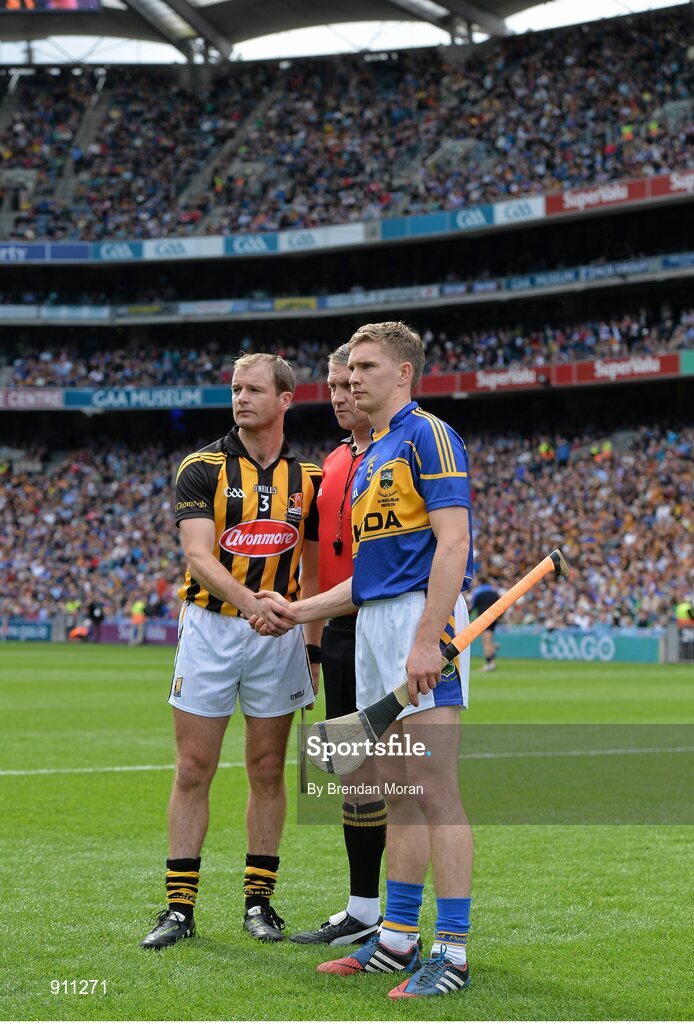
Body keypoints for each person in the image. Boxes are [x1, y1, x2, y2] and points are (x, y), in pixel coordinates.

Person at [252, 322, 474, 1000]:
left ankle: (453, 954)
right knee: (399, 792)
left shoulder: (427, 435)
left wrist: (426, 638)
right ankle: (398, 939)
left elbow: (454, 542)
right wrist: (302, 610)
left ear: (404, 373)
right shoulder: (374, 452)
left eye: (368, 367)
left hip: (417, 621)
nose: (353, 379)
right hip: (378, 622)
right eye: (351, 371)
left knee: (435, 792)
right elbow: (369, 578)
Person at [139, 353, 322, 951]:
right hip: (214, 627)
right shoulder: (201, 467)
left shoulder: (311, 479)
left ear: (285, 398)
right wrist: (251, 603)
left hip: (281, 635)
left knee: (268, 770)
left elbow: (316, 571)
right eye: (235, 389)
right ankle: (178, 909)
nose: (240, 398)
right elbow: (199, 555)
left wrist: (311, 648)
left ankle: (259, 903)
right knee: (193, 768)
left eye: (253, 389)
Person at [290, 344, 386, 948]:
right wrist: (314, 646)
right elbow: (319, 562)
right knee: (353, 771)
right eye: (330, 385)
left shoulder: (392, 455)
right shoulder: (331, 463)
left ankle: (396, 916)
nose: (338, 394)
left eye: (348, 383)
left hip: (385, 622)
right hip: (342, 632)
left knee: (395, 772)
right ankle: (364, 908)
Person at [467, 578, 501, 671]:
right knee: (489, 639)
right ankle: (492, 653)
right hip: (494, 617)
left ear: (480, 582)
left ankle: (489, 664)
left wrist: (467, 618)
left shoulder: (477, 591)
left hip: (484, 617)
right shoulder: (494, 591)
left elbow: (471, 607)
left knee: (486, 642)